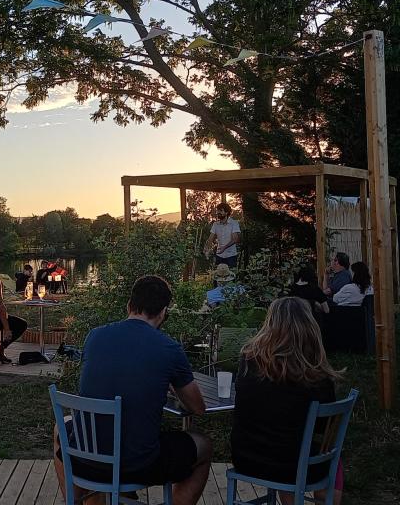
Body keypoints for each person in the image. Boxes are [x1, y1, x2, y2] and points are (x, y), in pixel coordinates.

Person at [53, 275, 212, 505]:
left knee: (61, 427)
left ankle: (77, 500)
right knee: (204, 445)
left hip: (85, 460)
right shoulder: (169, 348)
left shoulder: (94, 337)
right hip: (137, 465)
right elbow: (198, 408)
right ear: (164, 312)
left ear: (129, 305)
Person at [231, 297, 343, 505]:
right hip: (295, 465)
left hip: (247, 458)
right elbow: (323, 427)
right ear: (309, 326)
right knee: (329, 454)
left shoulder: (249, 359)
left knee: (288, 446)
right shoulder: (316, 376)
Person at [203, 203, 241, 268]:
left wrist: (224, 247)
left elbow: (235, 239)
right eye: (217, 210)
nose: (218, 212)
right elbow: (210, 238)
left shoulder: (234, 223)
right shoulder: (215, 224)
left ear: (226, 212)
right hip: (219, 256)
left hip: (231, 256)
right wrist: (206, 248)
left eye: (221, 211)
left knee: (230, 276)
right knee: (218, 276)